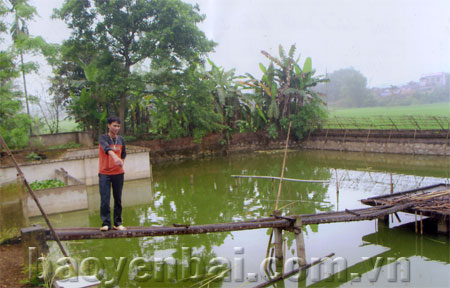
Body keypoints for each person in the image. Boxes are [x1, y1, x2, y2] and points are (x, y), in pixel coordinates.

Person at [98, 116, 127, 231]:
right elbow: (106, 149)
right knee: (105, 199)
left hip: (118, 173)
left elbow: (124, 154)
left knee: (118, 198)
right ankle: (106, 223)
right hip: (104, 173)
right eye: (114, 125)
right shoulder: (103, 138)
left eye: (118, 126)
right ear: (109, 125)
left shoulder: (121, 140)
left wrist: (121, 162)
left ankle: (117, 223)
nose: (116, 128)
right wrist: (115, 157)